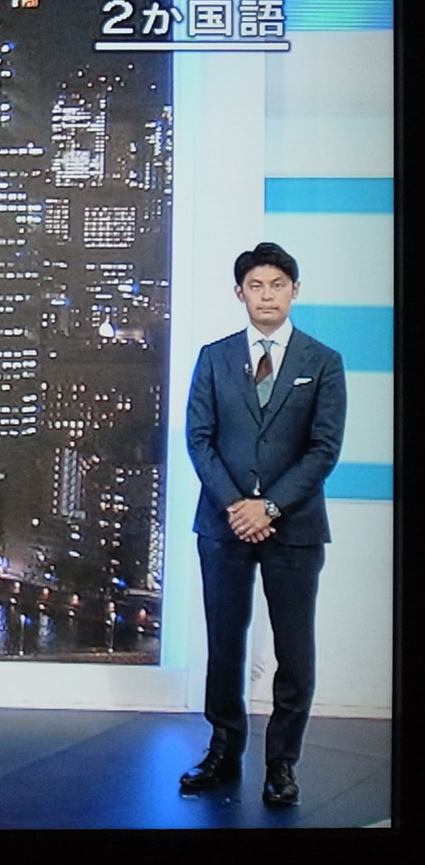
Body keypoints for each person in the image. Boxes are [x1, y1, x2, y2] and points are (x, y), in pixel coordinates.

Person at [181, 243, 345, 807]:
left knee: (294, 651)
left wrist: (269, 507)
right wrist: (237, 505)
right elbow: (199, 440)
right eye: (256, 285)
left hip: (294, 528)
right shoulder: (213, 358)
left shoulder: (323, 362)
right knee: (225, 644)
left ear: (294, 291)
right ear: (240, 293)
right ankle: (223, 752)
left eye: (277, 285)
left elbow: (323, 450)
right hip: (223, 525)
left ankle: (282, 764)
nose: (267, 295)